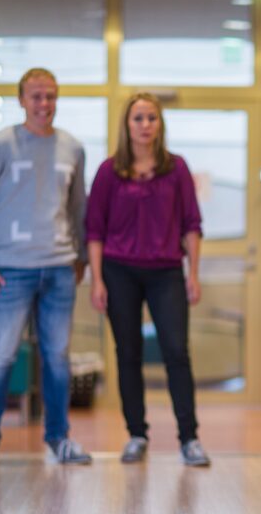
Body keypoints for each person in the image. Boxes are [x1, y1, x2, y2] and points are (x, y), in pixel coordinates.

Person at [0, 67, 91, 468]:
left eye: (50, 96)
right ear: (21, 100)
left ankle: (59, 439)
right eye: (36, 96)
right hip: (11, 270)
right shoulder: (2, 144)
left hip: (58, 269)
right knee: (1, 356)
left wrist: (82, 256)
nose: (44, 104)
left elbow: (78, 209)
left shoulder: (73, 148)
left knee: (57, 357)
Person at [85, 92, 209, 467]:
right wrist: (96, 281)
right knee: (128, 355)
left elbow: (192, 225)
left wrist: (194, 274)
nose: (145, 125)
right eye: (138, 118)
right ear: (127, 124)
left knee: (176, 353)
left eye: (151, 118)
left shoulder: (177, 169)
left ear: (160, 124)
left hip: (166, 272)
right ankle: (136, 435)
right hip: (118, 272)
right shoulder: (109, 171)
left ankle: (189, 439)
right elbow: (94, 229)